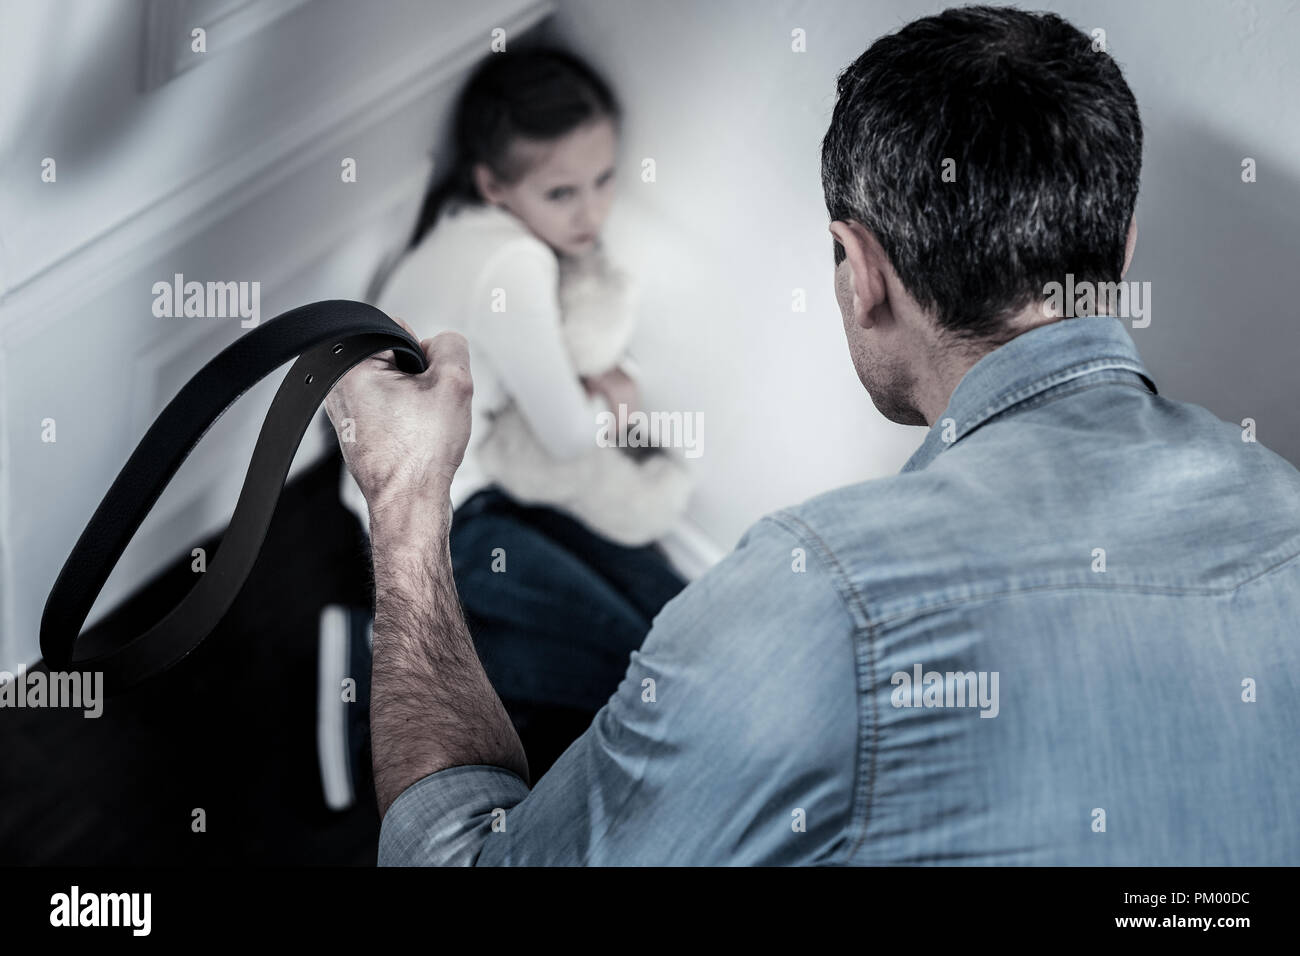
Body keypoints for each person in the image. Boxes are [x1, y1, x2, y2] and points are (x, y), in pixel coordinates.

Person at [325, 6, 1300, 864]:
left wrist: (406, 498)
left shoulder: (820, 597)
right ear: (1120, 251)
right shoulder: (1282, 501)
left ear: (858, 266)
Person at [339, 49, 687, 774]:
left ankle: (422, 650)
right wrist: (618, 397)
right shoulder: (513, 266)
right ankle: (375, 669)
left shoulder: (467, 226)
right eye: (562, 193)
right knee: (642, 664)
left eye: (603, 180)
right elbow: (565, 437)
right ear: (495, 183)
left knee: (664, 609)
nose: (592, 213)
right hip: (440, 513)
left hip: (460, 480)